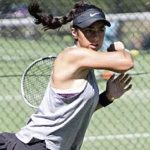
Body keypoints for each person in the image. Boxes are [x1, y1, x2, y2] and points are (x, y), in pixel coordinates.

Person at [0, 1, 134, 150]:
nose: (96, 37)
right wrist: (120, 47)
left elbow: (77, 111)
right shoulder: (73, 56)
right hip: (36, 145)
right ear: (74, 32)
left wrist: (107, 97)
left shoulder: (87, 63)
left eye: (101, 30)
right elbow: (125, 63)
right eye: (89, 30)